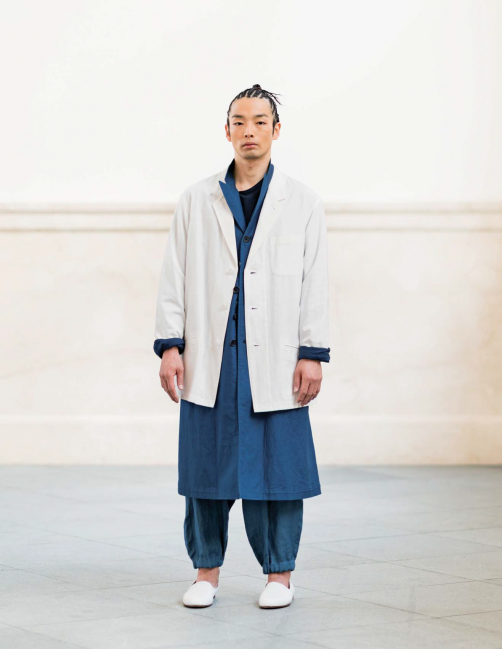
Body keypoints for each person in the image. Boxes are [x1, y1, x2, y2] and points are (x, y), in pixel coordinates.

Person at [153, 84, 330, 609]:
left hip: (275, 358)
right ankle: (205, 572)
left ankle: (280, 575)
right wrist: (170, 346)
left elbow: (315, 283)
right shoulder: (196, 199)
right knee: (205, 468)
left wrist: (312, 352)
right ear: (226, 130)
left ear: (276, 130)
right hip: (212, 357)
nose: (248, 131)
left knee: (279, 469)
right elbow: (174, 276)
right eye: (239, 121)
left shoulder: (303, 202)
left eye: (259, 121)